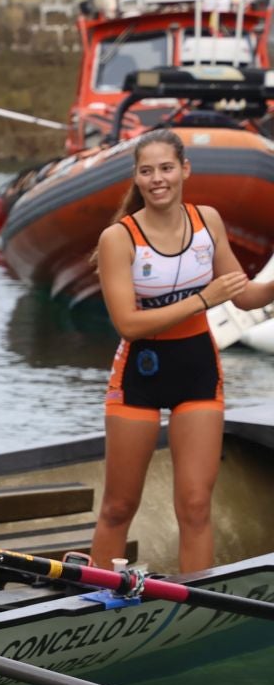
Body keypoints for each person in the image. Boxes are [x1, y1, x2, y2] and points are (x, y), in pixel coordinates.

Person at [91, 131, 271, 574]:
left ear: (185, 170)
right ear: (137, 178)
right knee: (118, 506)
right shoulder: (119, 238)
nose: (158, 179)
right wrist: (203, 300)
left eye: (166, 168)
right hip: (139, 376)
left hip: (198, 371)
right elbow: (128, 324)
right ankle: (98, 594)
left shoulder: (208, 221)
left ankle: (197, 597)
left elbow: (244, 296)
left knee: (194, 505)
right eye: (147, 171)